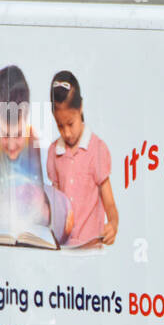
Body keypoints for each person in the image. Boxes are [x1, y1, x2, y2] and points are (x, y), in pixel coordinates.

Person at [0, 64, 71, 243]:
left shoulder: (32, 139)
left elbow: (38, 194)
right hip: (11, 213)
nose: (12, 144)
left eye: (18, 134)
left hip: (39, 209)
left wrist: (38, 207)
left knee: (48, 210)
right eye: (5, 135)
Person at [46, 71, 118, 246]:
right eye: (60, 126)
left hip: (90, 248)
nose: (67, 133)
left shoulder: (97, 150)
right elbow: (54, 202)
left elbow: (109, 203)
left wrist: (113, 224)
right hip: (62, 249)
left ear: (81, 108)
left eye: (70, 123)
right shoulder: (54, 152)